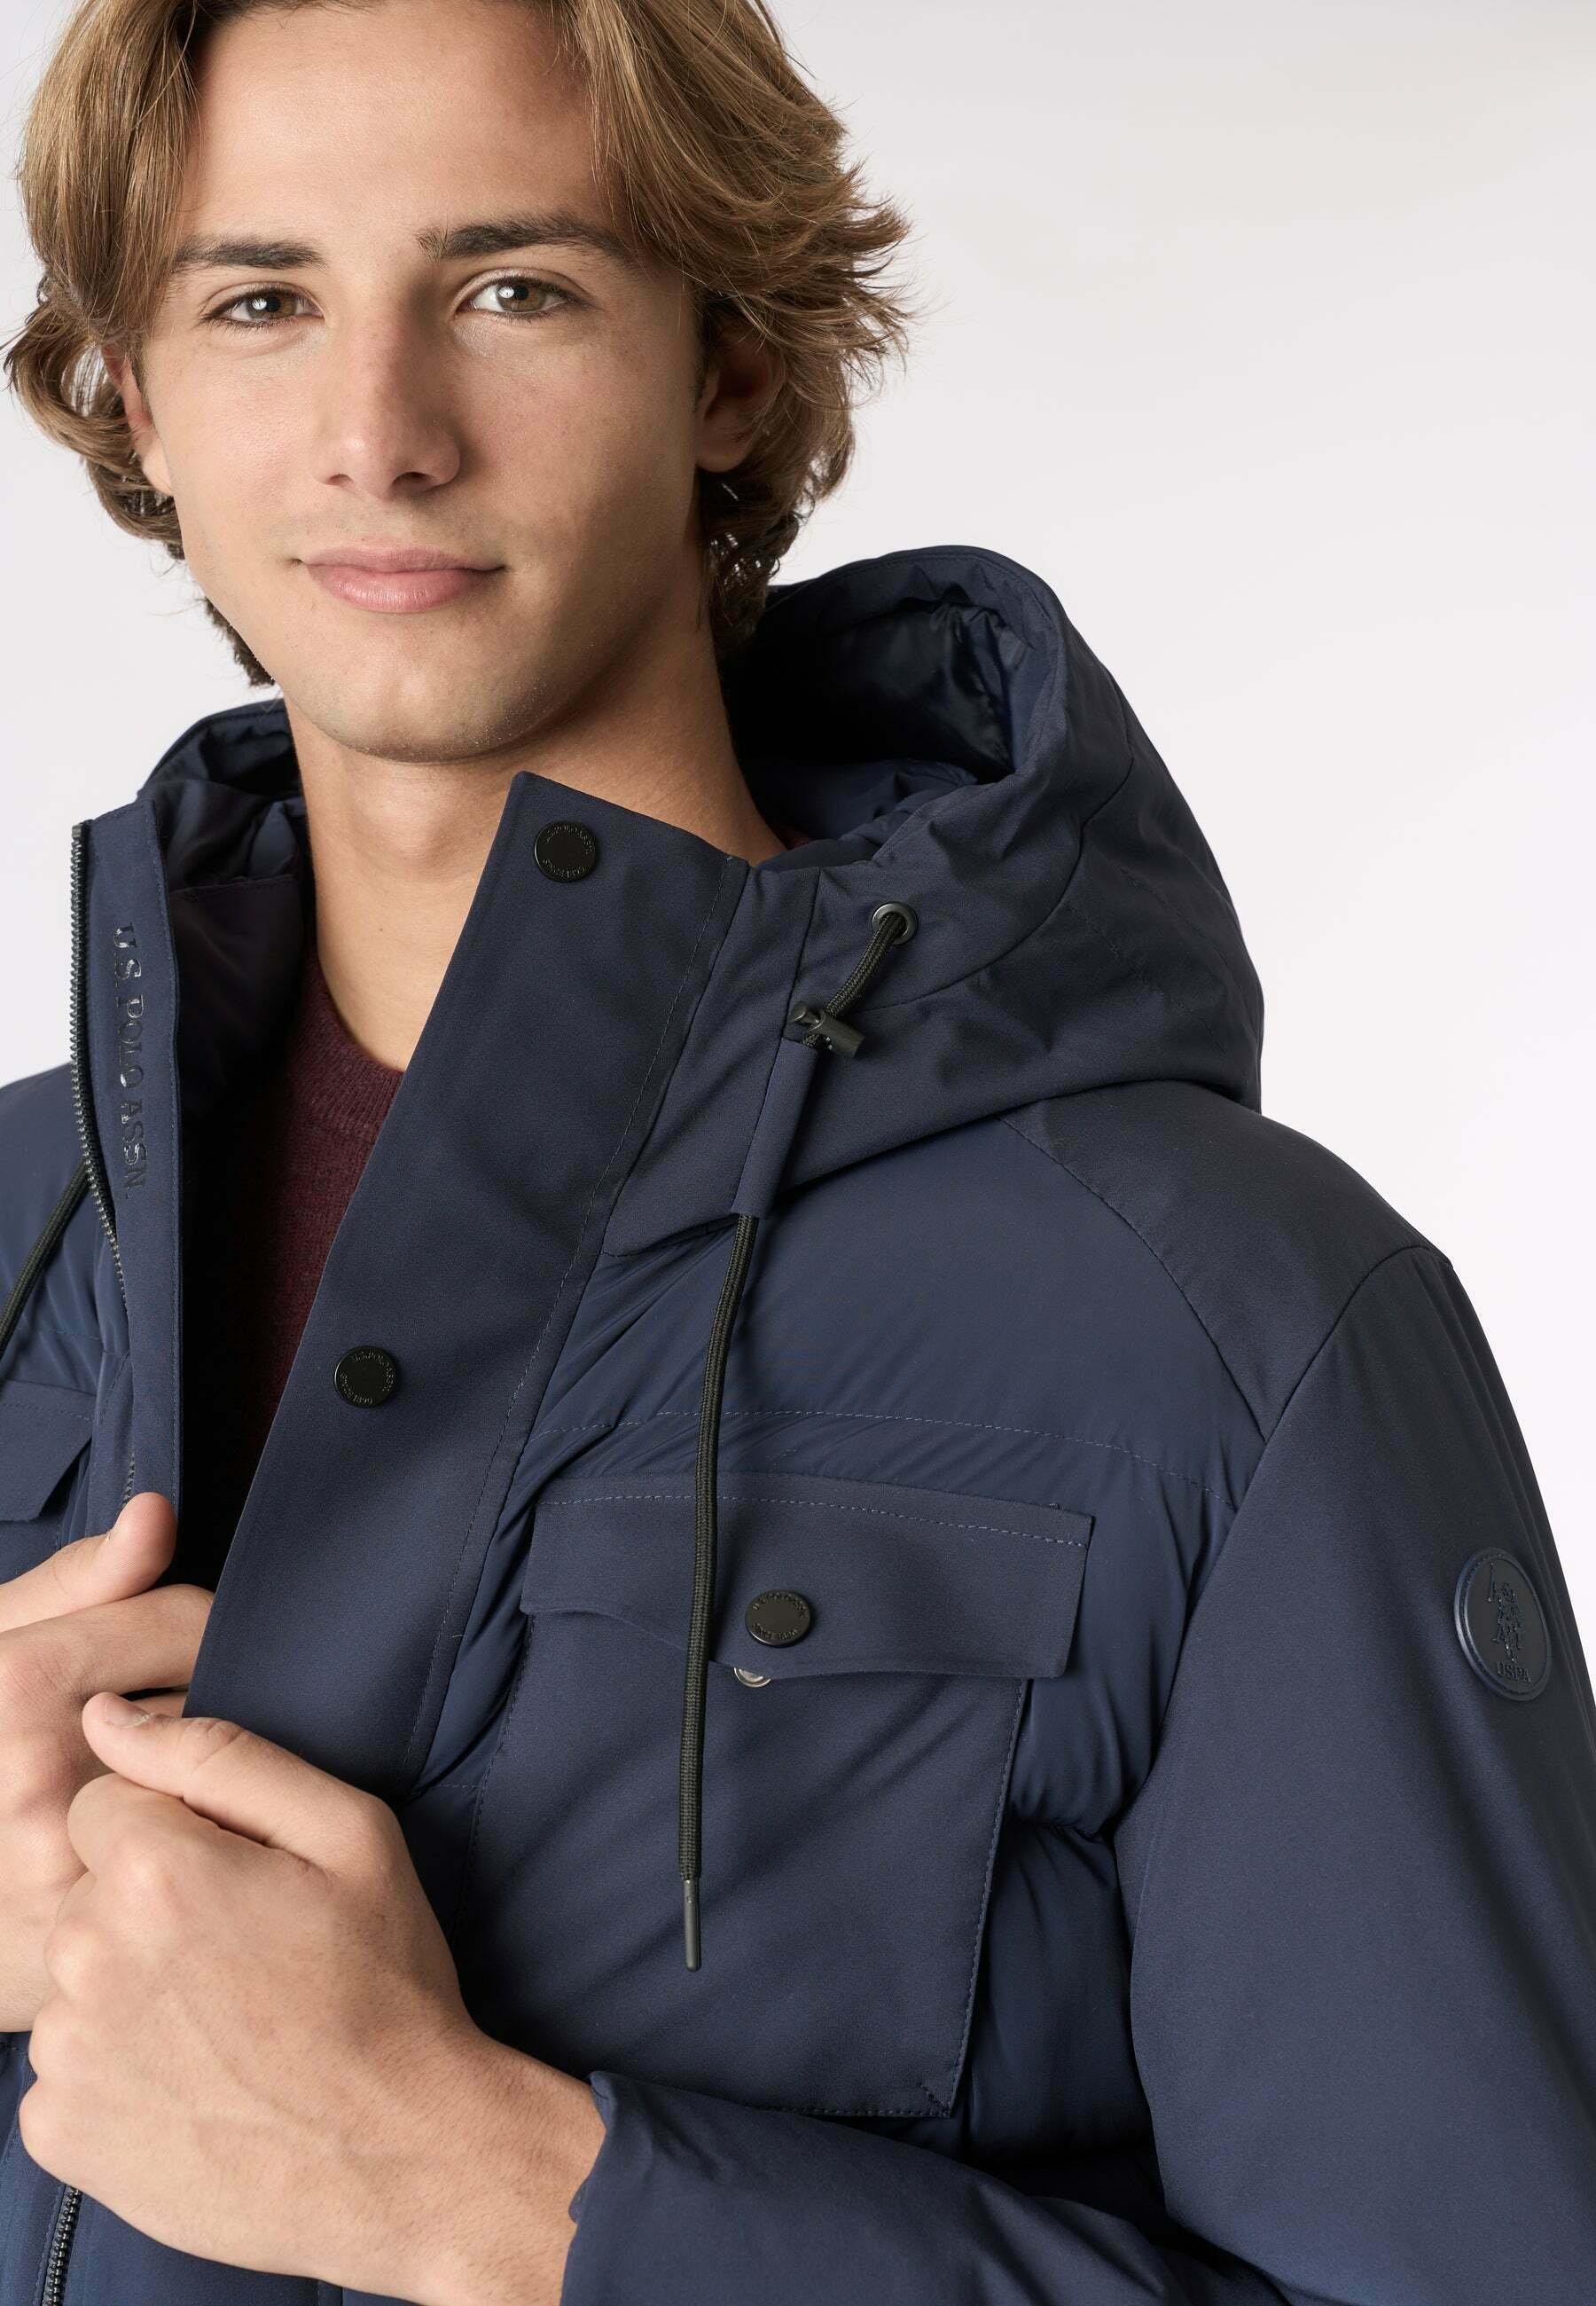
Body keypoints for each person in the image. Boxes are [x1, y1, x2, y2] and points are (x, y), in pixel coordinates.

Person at [1, 0, 1592, 2302]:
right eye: (261, 302)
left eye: (512, 287)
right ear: (134, 393)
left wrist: (499, 2196)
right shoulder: (18, 1243)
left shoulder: (1228, 1328)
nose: (379, 436)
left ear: (729, 364)